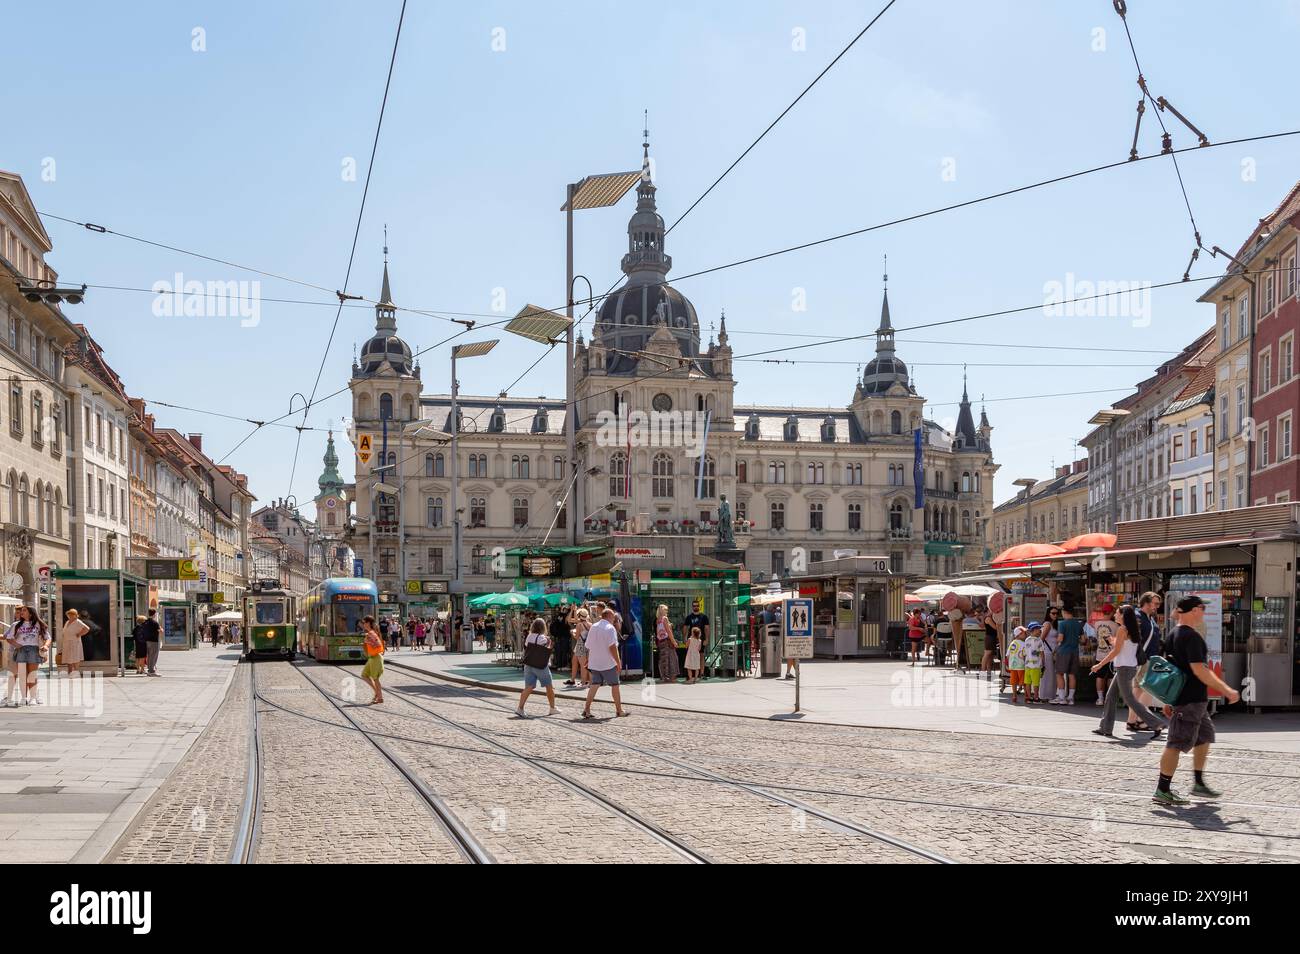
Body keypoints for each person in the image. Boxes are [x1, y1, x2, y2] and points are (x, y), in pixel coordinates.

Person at [1154, 595, 1240, 805]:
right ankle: (1162, 789)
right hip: (1189, 700)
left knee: (1204, 737)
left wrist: (1167, 700)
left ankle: (1199, 783)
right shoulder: (1191, 637)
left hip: (1192, 700)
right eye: (1202, 607)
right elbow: (1199, 670)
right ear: (1193, 611)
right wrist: (1226, 689)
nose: (1204, 611)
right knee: (1175, 743)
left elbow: (1171, 670)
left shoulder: (1174, 633)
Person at [1092, 604, 1166, 739]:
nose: (1115, 615)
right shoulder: (1131, 629)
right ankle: (1105, 728)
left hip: (1124, 668)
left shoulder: (1122, 629)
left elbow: (1116, 651)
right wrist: (1112, 640)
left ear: (1123, 615)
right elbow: (1124, 646)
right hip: (1128, 667)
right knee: (1111, 696)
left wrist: (1100, 664)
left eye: (1117, 613)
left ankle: (1156, 723)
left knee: (1130, 700)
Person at [581, 608, 628, 719]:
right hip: (608, 663)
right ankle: (619, 710)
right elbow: (612, 647)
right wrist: (618, 662)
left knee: (594, 685)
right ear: (610, 617)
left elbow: (588, 646)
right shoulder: (610, 628)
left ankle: (586, 709)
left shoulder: (594, 626)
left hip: (595, 662)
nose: (614, 620)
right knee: (615, 685)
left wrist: (588, 659)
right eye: (613, 618)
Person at [517, 617, 559, 717]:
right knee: (549, 686)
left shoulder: (529, 636)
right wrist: (549, 641)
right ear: (543, 627)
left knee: (529, 687)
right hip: (540, 666)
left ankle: (520, 708)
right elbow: (548, 650)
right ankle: (552, 708)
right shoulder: (543, 638)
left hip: (528, 664)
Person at [9, 606, 50, 705]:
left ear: (31, 613)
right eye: (21, 611)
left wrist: (45, 646)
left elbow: (47, 638)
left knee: (32, 675)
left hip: (33, 650)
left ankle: (33, 698)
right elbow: (9, 638)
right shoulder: (16, 625)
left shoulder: (38, 624)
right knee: (22, 675)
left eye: (24, 610)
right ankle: (23, 698)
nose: (21, 612)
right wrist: (16, 645)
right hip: (21, 650)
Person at [1052, 604, 1083, 705]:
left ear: (1064, 612)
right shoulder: (1078, 623)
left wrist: (1055, 642)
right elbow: (1083, 639)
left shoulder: (1062, 624)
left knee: (1059, 673)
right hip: (1075, 651)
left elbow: (1060, 638)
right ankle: (1071, 698)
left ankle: (1062, 698)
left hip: (1063, 651)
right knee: (1072, 675)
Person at [360, 615, 385, 704]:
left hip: (375, 658)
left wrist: (367, 641)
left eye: (364, 623)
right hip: (372, 658)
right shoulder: (371, 633)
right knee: (364, 675)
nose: (363, 624)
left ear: (368, 623)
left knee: (375, 679)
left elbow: (378, 645)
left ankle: (379, 696)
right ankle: (377, 694)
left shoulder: (371, 633)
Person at [59, 608, 89, 677]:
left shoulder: (78, 621)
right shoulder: (67, 622)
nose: (70, 616)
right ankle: (70, 673)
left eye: (71, 615)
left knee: (75, 658)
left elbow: (87, 628)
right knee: (69, 658)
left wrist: (79, 634)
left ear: (75, 615)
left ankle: (75, 673)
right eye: (69, 614)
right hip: (67, 642)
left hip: (74, 642)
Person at [654, 604, 679, 684]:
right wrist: (674, 641)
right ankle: (672, 677)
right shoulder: (665, 618)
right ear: (663, 611)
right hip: (667, 641)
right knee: (672, 658)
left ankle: (664, 676)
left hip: (661, 642)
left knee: (663, 658)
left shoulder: (658, 619)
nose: (667, 611)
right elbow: (668, 631)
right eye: (666, 610)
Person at [566, 608, 591, 688]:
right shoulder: (590, 624)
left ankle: (583, 682)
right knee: (588, 664)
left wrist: (572, 633)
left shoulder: (579, 625)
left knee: (583, 665)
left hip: (580, 645)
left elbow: (576, 637)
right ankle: (588, 681)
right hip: (588, 645)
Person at [1022, 621, 1046, 703]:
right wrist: (1043, 663)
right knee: (1036, 682)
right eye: (1038, 629)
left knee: (1028, 682)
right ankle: (1036, 697)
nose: (1040, 631)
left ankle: (1028, 697)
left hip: (1027, 664)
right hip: (1036, 665)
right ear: (1033, 630)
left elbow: (1024, 653)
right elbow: (1042, 652)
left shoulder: (1026, 640)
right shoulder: (1039, 641)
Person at [1006, 626, 1027, 702]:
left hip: (1013, 666)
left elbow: (1008, 655)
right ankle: (1026, 696)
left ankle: (1014, 696)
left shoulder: (1012, 643)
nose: (1025, 634)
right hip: (1021, 665)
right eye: (1024, 633)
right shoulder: (1024, 644)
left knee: (1014, 681)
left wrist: (1008, 664)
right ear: (1019, 634)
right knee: (1024, 681)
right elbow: (1025, 654)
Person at [980, 607, 1000, 680]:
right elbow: (995, 627)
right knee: (987, 653)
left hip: (992, 637)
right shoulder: (988, 618)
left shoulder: (990, 617)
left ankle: (988, 670)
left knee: (990, 655)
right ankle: (982, 671)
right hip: (989, 638)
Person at [141, 609, 162, 676]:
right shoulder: (155, 623)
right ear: (154, 614)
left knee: (149, 656)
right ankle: (151, 671)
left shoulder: (145, 622)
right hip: (154, 641)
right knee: (153, 656)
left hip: (147, 641)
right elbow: (160, 631)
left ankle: (149, 669)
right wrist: (161, 629)